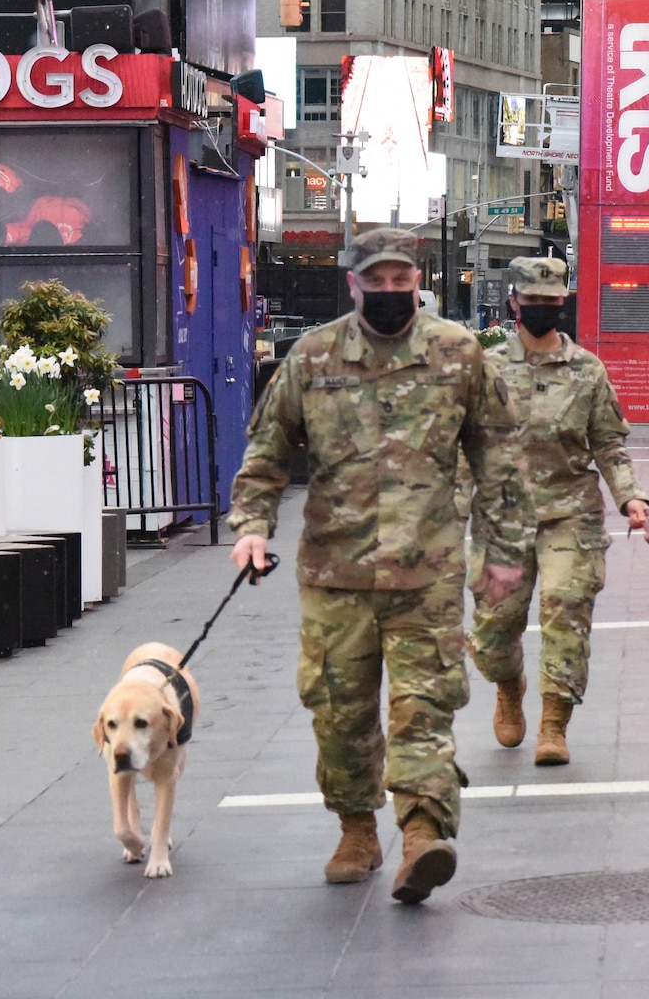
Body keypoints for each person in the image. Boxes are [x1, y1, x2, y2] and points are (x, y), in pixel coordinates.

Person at [228, 227, 532, 904]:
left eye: (403, 281)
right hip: (335, 578)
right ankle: (356, 831)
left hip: (427, 578)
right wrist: (251, 528)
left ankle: (423, 835)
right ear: (353, 283)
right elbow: (266, 453)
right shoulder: (310, 358)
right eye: (378, 281)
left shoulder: (459, 354)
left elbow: (499, 458)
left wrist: (505, 552)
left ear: (417, 282)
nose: (392, 292)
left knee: (423, 709)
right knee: (338, 716)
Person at [468, 257, 649, 765]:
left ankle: (554, 724)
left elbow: (609, 443)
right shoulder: (486, 368)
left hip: (570, 512)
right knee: (492, 631)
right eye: (532, 303)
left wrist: (631, 497)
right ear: (513, 304)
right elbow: (466, 446)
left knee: (565, 611)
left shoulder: (587, 370)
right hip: (502, 518)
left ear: (562, 304)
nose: (541, 310)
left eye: (551, 303)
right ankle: (509, 685)